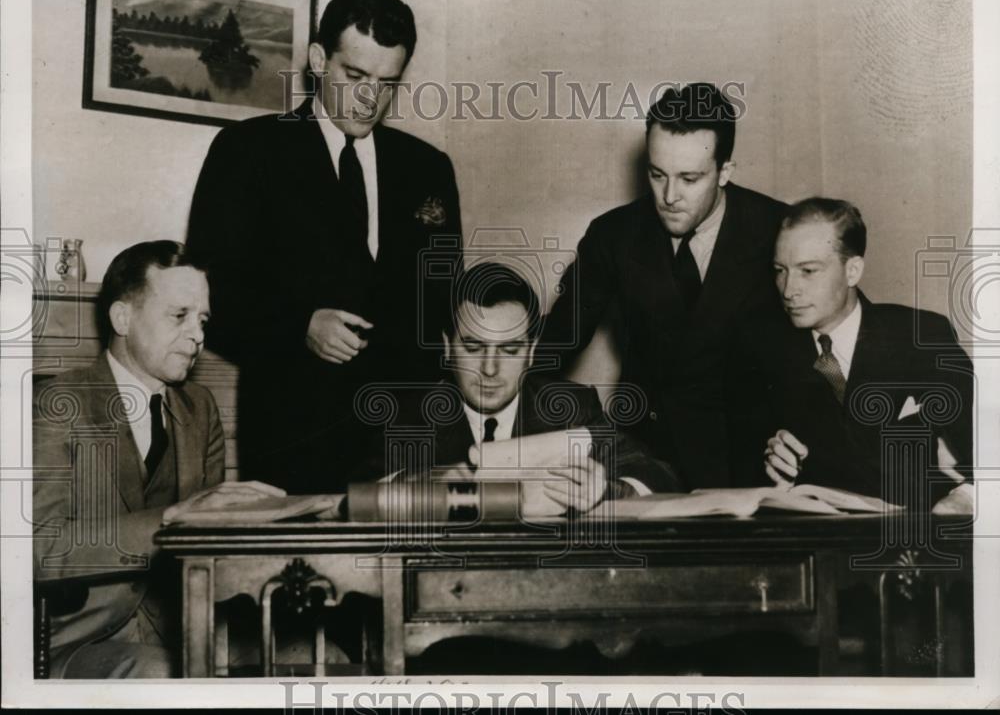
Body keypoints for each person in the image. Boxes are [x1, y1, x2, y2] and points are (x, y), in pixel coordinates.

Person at [187, 0, 462, 493]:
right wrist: (299, 325)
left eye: (387, 83)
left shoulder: (429, 169)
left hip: (409, 446)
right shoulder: (248, 152)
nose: (369, 98)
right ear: (318, 59)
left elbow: (444, 303)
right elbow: (209, 295)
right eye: (355, 76)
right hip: (294, 440)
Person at [32, 241, 280, 678]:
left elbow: (211, 549)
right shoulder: (57, 403)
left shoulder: (199, 408)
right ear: (122, 318)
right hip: (79, 640)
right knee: (161, 675)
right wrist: (170, 520)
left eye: (203, 320)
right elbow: (39, 549)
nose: (199, 335)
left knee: (321, 655)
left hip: (187, 626)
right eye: (179, 315)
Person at [543, 82, 787, 490]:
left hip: (753, 469)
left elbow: (841, 331)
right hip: (645, 467)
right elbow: (551, 349)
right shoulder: (613, 237)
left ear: (725, 171)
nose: (669, 196)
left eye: (690, 178)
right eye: (657, 175)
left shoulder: (778, 230)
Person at [373, 262, 680, 506]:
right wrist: (411, 488)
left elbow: (660, 475)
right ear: (447, 347)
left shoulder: (571, 409)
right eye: (473, 347)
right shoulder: (406, 416)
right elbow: (348, 494)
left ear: (531, 352)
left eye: (509, 349)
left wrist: (607, 492)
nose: (489, 369)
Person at [759, 198, 974, 510]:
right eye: (780, 270)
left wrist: (964, 499)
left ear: (853, 271)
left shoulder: (921, 336)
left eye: (808, 271)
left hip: (913, 536)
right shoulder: (763, 349)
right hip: (816, 539)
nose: (788, 289)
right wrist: (774, 472)